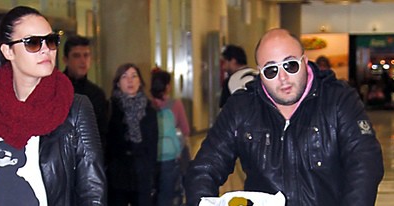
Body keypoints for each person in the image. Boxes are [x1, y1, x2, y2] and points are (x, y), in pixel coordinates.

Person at [185, 28, 384, 206]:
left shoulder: (338, 99)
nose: (283, 78)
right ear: (260, 74)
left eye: (290, 65)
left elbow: (365, 162)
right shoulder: (242, 108)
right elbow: (204, 167)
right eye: (271, 70)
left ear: (305, 62)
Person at [0, 6, 106, 205]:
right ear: (8, 51)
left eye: (51, 41)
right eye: (33, 43)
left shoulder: (75, 108)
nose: (46, 49)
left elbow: (93, 192)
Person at [106, 63, 158, 206]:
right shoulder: (110, 107)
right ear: (117, 82)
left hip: (142, 174)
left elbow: (153, 146)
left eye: (134, 76)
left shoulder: (149, 110)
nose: (130, 80)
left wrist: (153, 175)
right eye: (125, 76)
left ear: (140, 81)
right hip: (118, 175)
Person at [150, 69, 191, 206]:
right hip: (170, 158)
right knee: (168, 194)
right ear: (167, 86)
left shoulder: (146, 105)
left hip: (150, 158)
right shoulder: (175, 104)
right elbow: (185, 130)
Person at [63, 35, 109, 150]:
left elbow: (101, 133)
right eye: (76, 56)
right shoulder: (55, 88)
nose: (83, 61)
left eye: (86, 55)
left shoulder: (97, 94)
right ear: (65, 60)